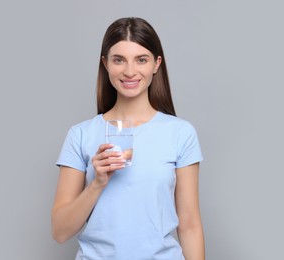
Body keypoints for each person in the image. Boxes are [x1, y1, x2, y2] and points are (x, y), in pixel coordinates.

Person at [51, 17, 205, 260]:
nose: (130, 71)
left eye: (141, 60)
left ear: (156, 64)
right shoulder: (80, 135)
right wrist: (98, 183)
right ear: (105, 64)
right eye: (119, 60)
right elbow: (60, 231)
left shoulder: (180, 133)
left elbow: (189, 225)